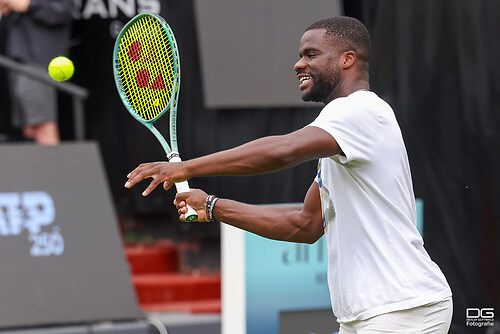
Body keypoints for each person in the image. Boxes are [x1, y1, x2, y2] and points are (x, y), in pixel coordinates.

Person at [125, 17, 453, 333]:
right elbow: (304, 225)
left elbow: (284, 150)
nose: (299, 64)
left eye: (311, 55)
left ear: (347, 59)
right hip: (374, 313)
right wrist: (212, 206)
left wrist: (186, 167)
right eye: (300, 56)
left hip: (400, 309)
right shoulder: (343, 137)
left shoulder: (358, 110)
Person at [0, 0, 73, 145]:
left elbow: (64, 11)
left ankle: (56, 168)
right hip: (17, 64)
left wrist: (29, 5)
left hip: (37, 64)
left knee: (43, 127)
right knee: (29, 130)